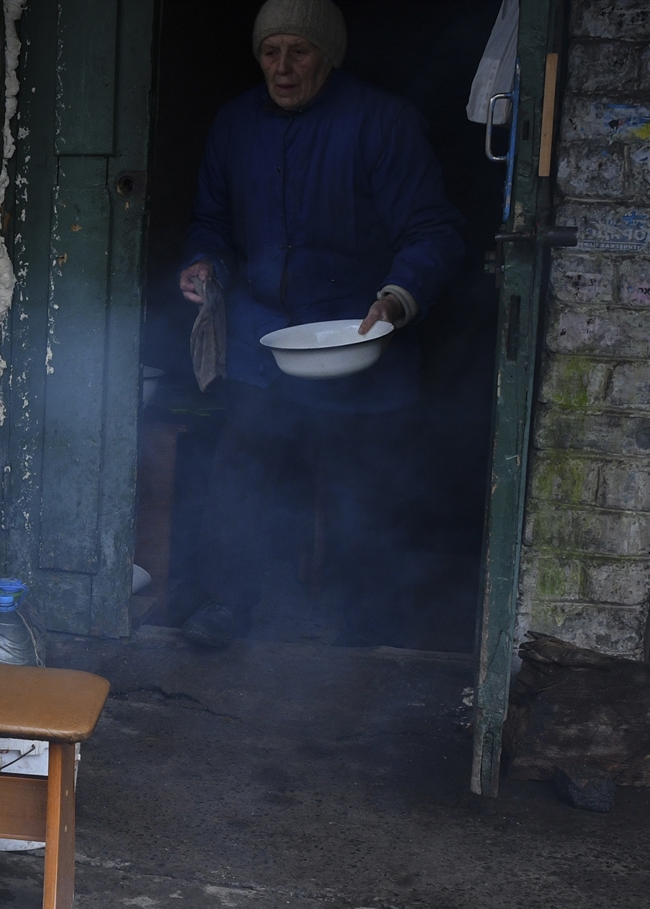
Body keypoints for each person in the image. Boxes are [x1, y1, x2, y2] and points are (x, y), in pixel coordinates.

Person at [178, 0, 464, 649]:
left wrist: (396, 298)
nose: (281, 68)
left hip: (354, 343)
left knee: (357, 487)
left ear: (328, 55)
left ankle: (364, 628)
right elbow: (212, 221)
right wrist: (203, 262)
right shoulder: (235, 125)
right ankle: (226, 606)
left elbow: (434, 232)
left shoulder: (382, 124)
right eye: (270, 52)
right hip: (264, 343)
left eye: (298, 52)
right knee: (240, 469)